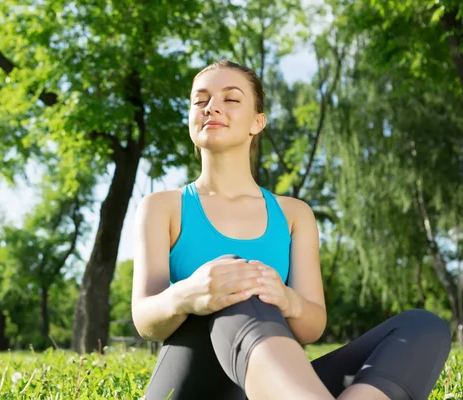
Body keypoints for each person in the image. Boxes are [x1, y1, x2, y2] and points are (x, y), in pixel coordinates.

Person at [131, 60, 452, 400]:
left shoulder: (294, 214)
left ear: (258, 122)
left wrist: (286, 299)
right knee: (237, 279)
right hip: (192, 385)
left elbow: (311, 325)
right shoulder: (163, 206)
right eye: (201, 100)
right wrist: (190, 293)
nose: (212, 107)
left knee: (422, 327)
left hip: (275, 386)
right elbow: (146, 319)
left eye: (231, 99)